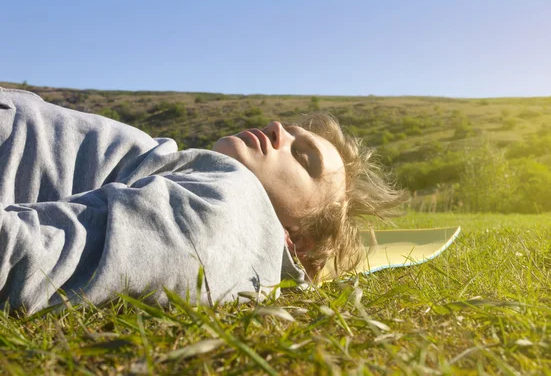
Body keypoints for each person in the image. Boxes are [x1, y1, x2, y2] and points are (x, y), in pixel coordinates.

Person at [0, 86, 405, 314]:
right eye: (289, 131)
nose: (278, 128)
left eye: (303, 158)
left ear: (295, 241)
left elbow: (26, 257)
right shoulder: (211, 191)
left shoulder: (238, 217)